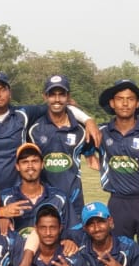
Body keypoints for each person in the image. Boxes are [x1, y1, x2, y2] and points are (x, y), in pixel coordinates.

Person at [91, 79, 139, 266]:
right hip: (118, 204)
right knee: (117, 259)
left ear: (137, 103)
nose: (125, 103)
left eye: (130, 99)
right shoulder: (101, 132)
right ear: (112, 103)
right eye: (120, 99)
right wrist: (86, 119)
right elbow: (82, 145)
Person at [28, 75, 92, 223]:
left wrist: (90, 120)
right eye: (52, 94)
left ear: (68, 96)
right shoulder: (33, 129)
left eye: (61, 94)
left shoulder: (81, 130)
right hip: (44, 201)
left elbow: (92, 155)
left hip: (74, 201)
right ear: (45, 96)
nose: (57, 99)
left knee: (74, 237)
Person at [0, 143, 72, 235]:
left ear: (42, 164)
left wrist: (69, 239)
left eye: (34, 161)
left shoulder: (59, 197)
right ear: (17, 166)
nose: (30, 166)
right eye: (25, 162)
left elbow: (74, 228)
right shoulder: (5, 197)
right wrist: (0, 213)